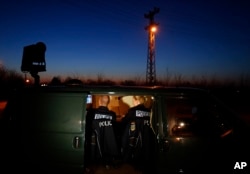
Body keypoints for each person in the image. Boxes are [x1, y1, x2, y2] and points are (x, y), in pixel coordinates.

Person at [121, 95, 156, 173]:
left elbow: (124, 122)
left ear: (137, 100)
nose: (133, 102)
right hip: (147, 140)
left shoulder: (132, 111)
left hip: (135, 140)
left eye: (133, 100)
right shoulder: (148, 111)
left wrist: (124, 117)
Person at [84, 95, 119, 171]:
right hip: (107, 146)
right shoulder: (112, 114)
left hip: (94, 145)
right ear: (108, 102)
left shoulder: (92, 113)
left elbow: (87, 127)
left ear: (99, 101)